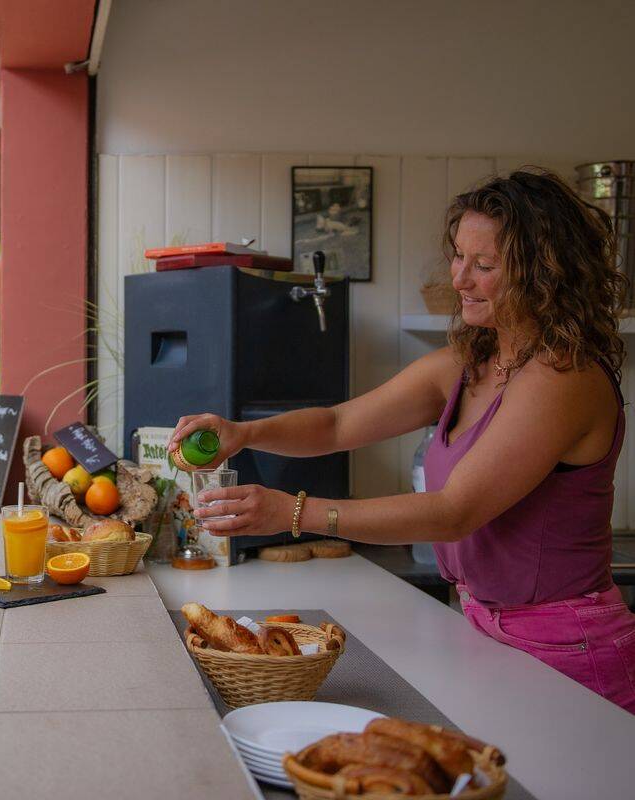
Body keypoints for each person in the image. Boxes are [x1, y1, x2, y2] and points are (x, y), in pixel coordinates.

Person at [170, 169, 635, 712]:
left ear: (546, 276)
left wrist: (291, 512)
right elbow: (337, 426)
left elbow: (454, 511)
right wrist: (242, 433)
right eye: (458, 256)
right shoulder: (468, 365)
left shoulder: (563, 379)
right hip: (482, 623)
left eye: (484, 265)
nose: (460, 278)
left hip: (570, 645)